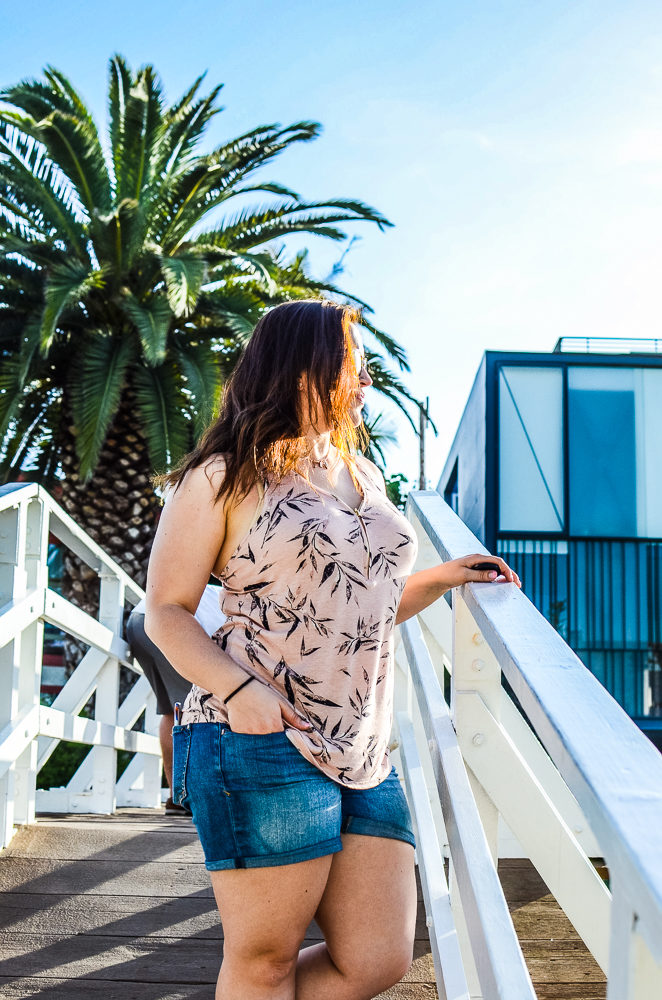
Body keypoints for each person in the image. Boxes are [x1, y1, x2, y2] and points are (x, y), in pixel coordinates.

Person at [145, 298, 521, 1000]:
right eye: (353, 367)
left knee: (376, 960)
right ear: (302, 368)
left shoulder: (363, 475)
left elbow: (363, 609)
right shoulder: (224, 475)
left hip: (365, 749)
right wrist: (241, 693)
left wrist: (438, 579)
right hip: (257, 733)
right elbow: (165, 612)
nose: (366, 384)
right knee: (265, 960)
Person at [126, 584, 224, 814]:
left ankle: (176, 795)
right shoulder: (249, 610)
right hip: (168, 623)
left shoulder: (220, 595)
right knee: (195, 710)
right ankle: (186, 797)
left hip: (139, 621)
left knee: (172, 710)